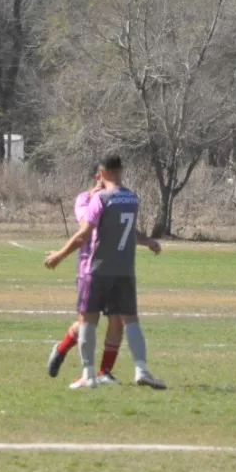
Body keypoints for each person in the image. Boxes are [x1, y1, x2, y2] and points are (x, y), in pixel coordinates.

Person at [45, 154, 164, 390]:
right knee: (113, 320)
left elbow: (86, 232)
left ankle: (96, 374)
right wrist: (149, 241)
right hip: (113, 268)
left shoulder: (101, 199)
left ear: (102, 173)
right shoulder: (123, 197)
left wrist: (59, 254)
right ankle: (138, 368)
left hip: (98, 268)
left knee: (102, 321)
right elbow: (101, 225)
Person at [47, 168, 127, 383]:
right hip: (89, 269)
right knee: (87, 324)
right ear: (98, 176)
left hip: (115, 269)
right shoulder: (84, 199)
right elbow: (86, 228)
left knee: (117, 320)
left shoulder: (120, 199)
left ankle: (105, 373)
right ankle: (62, 349)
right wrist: (60, 255)